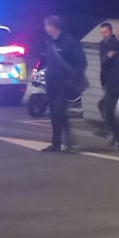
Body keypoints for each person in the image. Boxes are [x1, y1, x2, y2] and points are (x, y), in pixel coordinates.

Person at [39, 14, 85, 152]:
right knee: (54, 112)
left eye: (47, 25)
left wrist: (73, 78)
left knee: (60, 110)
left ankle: (68, 141)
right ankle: (56, 143)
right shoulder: (50, 42)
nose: (45, 28)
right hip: (51, 81)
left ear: (54, 27)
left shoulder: (69, 42)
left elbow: (81, 62)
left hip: (63, 82)